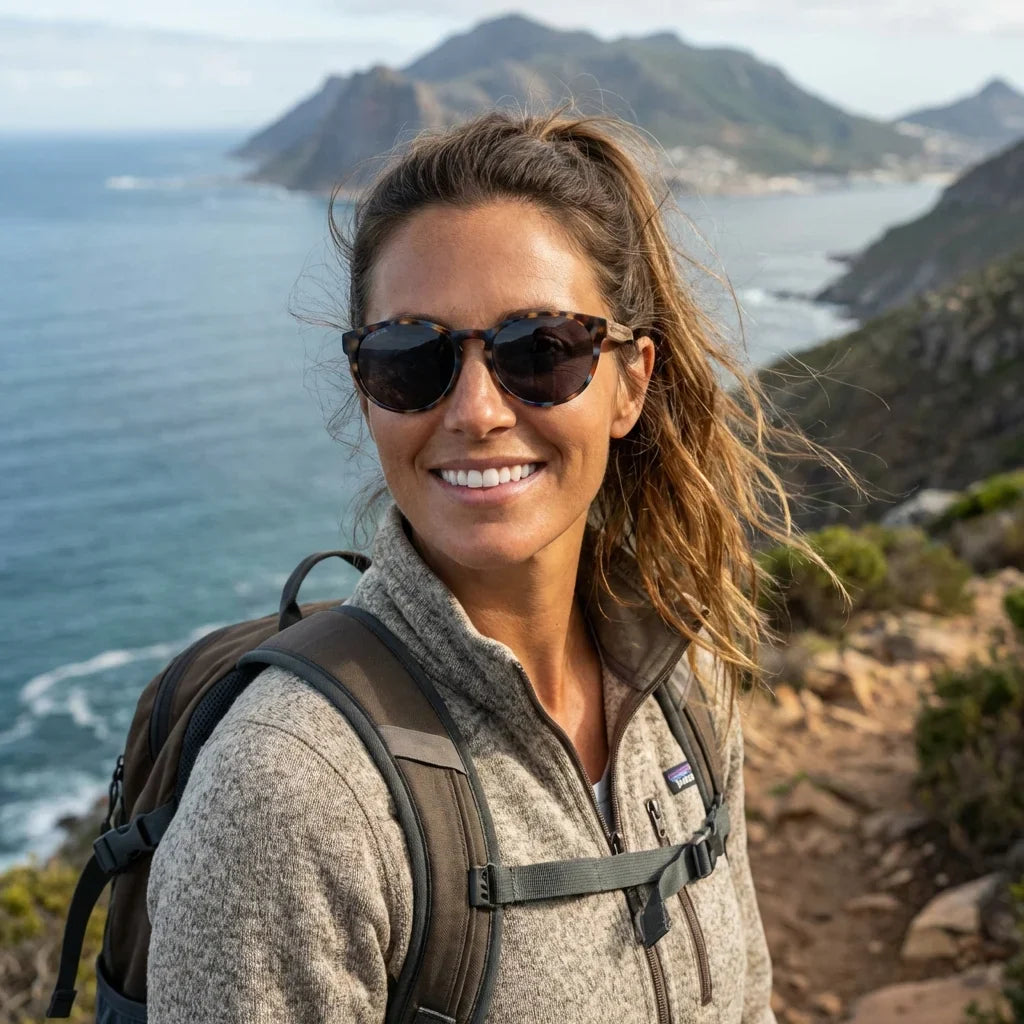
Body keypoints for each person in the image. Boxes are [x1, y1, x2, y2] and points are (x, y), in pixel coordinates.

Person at [146, 104, 854, 1023]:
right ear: (367, 391)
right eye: (412, 356)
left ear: (631, 381)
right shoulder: (295, 790)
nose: (476, 408)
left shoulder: (686, 676)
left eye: (541, 349)